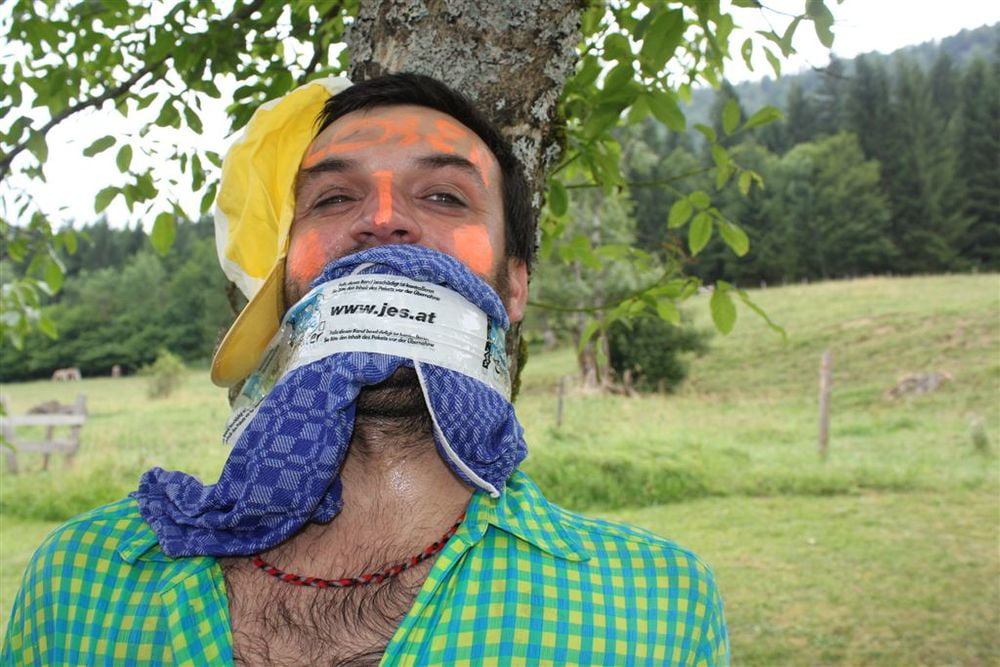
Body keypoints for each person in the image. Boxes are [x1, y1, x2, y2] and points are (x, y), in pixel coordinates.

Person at [2, 73, 729, 666]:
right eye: (334, 198)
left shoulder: (657, 608)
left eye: (443, 195)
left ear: (515, 288)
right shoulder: (80, 582)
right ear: (283, 284)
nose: (381, 219)